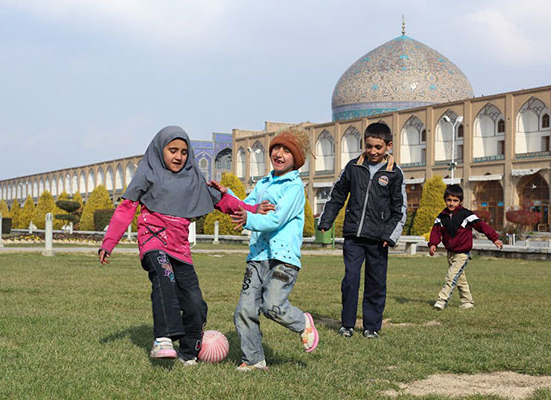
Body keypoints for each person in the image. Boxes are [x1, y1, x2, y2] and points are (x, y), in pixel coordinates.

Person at [98, 126, 273, 366]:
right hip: (153, 240)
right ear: (161, 150)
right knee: (164, 279)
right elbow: (126, 208)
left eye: (183, 151)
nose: (178, 156)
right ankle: (163, 338)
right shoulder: (148, 173)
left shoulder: (193, 178)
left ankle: (188, 352)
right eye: (172, 150)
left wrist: (252, 209)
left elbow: (221, 200)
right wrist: (109, 242)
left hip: (180, 248)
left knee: (195, 303)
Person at [214, 126, 318, 371]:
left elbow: (275, 220)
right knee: (244, 309)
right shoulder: (263, 183)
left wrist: (249, 220)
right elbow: (246, 207)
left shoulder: (294, 189)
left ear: (297, 159)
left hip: (283, 260)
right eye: (276, 148)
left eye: (286, 150)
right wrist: (224, 197)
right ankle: (254, 360)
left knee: (272, 306)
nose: (279, 154)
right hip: (257, 258)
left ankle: (302, 323)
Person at [317, 122, 406, 339]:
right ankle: (347, 324)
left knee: (375, 283)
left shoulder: (394, 173)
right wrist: (326, 220)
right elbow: (337, 195)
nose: (373, 151)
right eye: (369, 146)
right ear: (363, 144)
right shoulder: (353, 167)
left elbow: (399, 209)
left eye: (378, 147)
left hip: (379, 239)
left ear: (389, 146)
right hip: (353, 237)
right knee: (351, 280)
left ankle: (371, 327)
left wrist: (390, 236)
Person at [428, 184, 503, 310]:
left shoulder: (466, 215)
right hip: (450, 253)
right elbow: (435, 231)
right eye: (449, 200)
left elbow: (481, 226)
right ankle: (467, 302)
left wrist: (494, 238)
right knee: (460, 279)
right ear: (445, 200)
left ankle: (441, 300)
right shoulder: (441, 217)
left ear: (460, 201)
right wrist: (433, 244)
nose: (452, 203)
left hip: (462, 254)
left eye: (455, 200)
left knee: (451, 276)